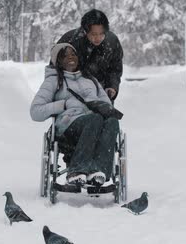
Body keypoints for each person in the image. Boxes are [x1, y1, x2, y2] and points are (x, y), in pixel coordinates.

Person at [30, 43, 120, 186]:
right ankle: (76, 171)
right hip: (68, 128)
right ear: (58, 61)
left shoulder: (91, 80)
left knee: (112, 122)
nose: (70, 57)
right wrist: (62, 105)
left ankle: (98, 172)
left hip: (95, 124)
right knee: (94, 119)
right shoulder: (53, 81)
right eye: (65, 55)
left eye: (73, 54)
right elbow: (35, 112)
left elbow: (107, 106)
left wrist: (102, 106)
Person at [56, 9, 123, 100]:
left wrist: (112, 87)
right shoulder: (70, 41)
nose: (98, 38)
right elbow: (54, 69)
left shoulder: (112, 41)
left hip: (102, 92)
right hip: (73, 93)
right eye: (94, 34)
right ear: (85, 31)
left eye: (101, 34)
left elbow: (115, 69)